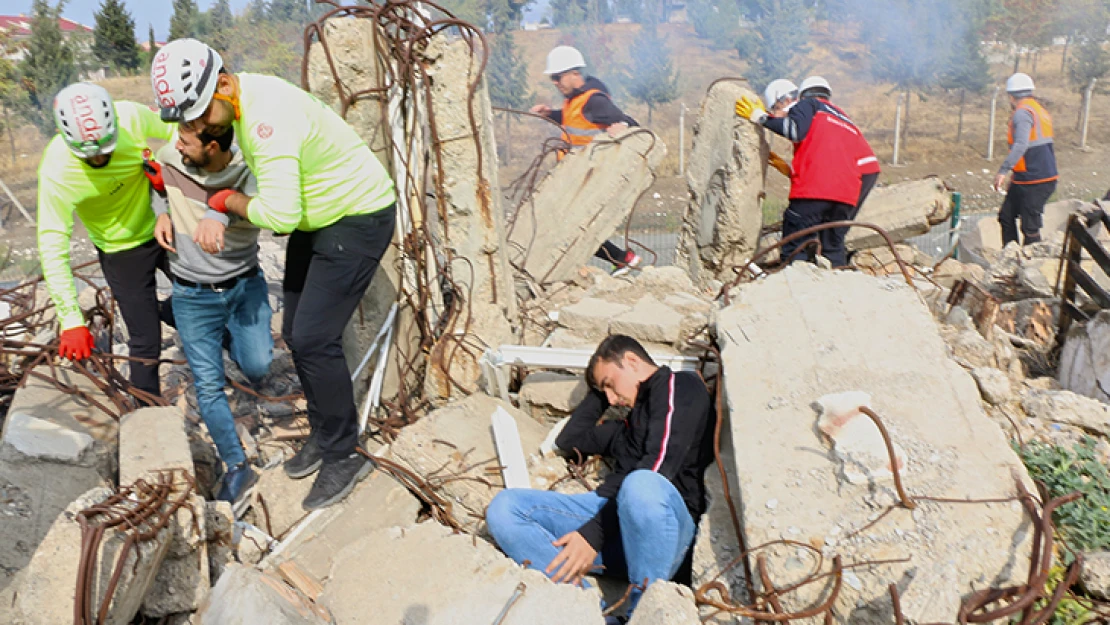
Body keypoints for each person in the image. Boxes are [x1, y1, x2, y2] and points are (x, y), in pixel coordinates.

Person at [153, 38, 397, 510]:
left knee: (312, 337)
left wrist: (225, 203)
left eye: (200, 115)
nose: (196, 127)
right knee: (298, 330)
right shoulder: (243, 101)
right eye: (187, 121)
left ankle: (345, 454)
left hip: (356, 216)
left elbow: (279, 218)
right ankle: (326, 436)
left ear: (223, 84)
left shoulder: (265, 123)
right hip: (320, 217)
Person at [486, 335, 715, 621]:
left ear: (632, 361)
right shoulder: (625, 429)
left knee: (640, 484)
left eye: (609, 383)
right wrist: (600, 388)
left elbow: (659, 467)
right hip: (611, 525)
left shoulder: (678, 387)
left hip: (662, 531)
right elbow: (571, 439)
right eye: (603, 391)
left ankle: (640, 614)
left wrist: (592, 535)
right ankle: (593, 614)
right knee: (505, 508)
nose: (610, 397)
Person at [151, 123, 271, 511]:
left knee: (257, 365)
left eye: (186, 142)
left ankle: (228, 336)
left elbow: (268, 213)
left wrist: (218, 214)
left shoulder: (252, 170)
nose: (176, 147)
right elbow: (157, 177)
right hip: (192, 293)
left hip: (243, 285)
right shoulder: (173, 156)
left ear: (213, 146)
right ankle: (236, 465)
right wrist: (162, 211)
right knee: (208, 384)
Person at [37, 82, 175, 398]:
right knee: (146, 343)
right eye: (91, 157)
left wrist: (170, 173)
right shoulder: (56, 172)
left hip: (163, 226)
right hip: (120, 251)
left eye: (106, 152)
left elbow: (181, 132)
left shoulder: (132, 116)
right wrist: (71, 320)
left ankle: (229, 347)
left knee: (205, 291)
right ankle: (148, 415)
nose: (100, 160)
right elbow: (52, 246)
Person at [735, 75, 870, 266]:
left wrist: (761, 117)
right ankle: (837, 284)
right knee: (832, 248)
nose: (776, 114)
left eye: (775, 108)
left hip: (814, 193)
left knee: (795, 244)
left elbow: (795, 131)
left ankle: (793, 284)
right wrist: (790, 170)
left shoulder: (808, 105)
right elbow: (830, 159)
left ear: (786, 100)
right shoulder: (842, 117)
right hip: (845, 198)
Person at [530, 45, 642, 274]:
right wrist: (550, 114)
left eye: (557, 77)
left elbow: (625, 120)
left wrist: (624, 126)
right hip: (574, 175)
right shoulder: (575, 100)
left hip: (588, 177)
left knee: (572, 228)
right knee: (568, 227)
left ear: (574, 74)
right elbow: (578, 120)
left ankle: (622, 258)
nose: (554, 82)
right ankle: (621, 258)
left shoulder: (594, 100)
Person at [993, 72, 1058, 246]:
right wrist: (1015, 176)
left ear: (1011, 96)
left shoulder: (1022, 113)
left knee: (1030, 227)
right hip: (1028, 177)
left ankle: (1031, 265)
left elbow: (1021, 144)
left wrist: (1003, 171)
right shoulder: (1038, 109)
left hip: (1036, 179)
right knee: (1006, 216)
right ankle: (1010, 257)